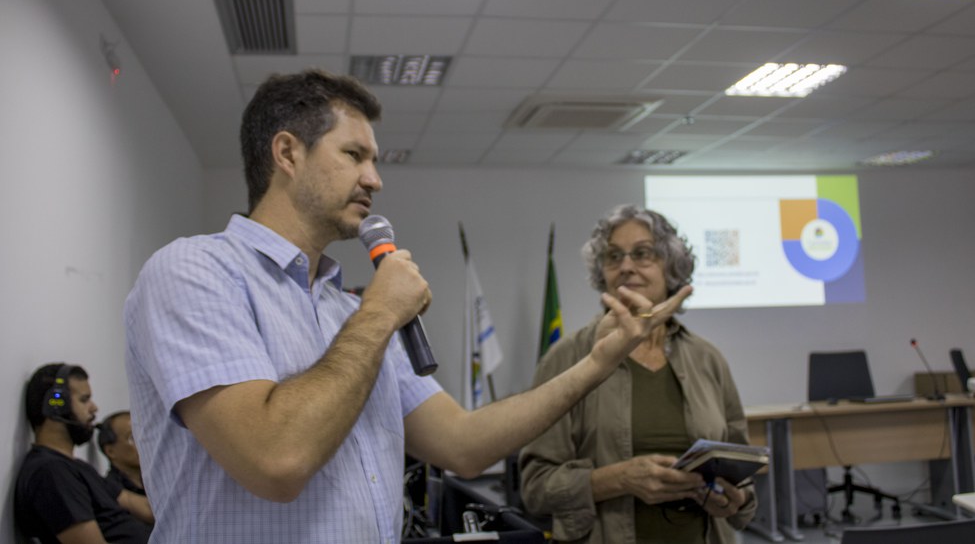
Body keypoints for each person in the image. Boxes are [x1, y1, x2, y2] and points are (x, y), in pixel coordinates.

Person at [123, 69, 694, 543]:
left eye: (373, 160)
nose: (374, 178)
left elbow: (464, 445)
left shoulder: (347, 313)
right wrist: (380, 312)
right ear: (287, 153)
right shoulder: (194, 272)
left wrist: (597, 362)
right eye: (354, 155)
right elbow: (277, 459)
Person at [519, 205, 757, 544]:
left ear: (671, 267)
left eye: (642, 254)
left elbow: (741, 471)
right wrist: (618, 479)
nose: (626, 266)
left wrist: (738, 498)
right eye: (613, 256)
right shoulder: (567, 358)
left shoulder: (707, 358)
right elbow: (535, 488)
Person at [15, 363, 154, 544]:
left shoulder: (78, 468)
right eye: (84, 399)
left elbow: (143, 508)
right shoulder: (51, 473)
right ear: (56, 405)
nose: (94, 408)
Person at [97, 411, 147, 498]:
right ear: (110, 451)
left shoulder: (158, 479)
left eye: (142, 435)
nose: (142, 442)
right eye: (132, 437)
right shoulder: (109, 491)